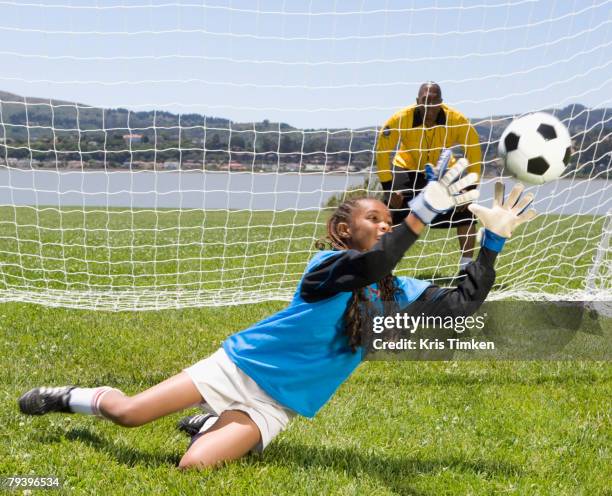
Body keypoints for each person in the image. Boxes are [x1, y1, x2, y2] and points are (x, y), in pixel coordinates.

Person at [17, 157, 536, 470]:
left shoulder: (398, 291)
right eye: (372, 219)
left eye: (388, 219)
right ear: (343, 233)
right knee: (128, 414)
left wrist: (492, 241)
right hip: (239, 367)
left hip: (277, 404)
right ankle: (70, 397)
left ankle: (211, 425)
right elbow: (374, 261)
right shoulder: (327, 267)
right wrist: (423, 208)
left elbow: (460, 307)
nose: (383, 225)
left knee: (194, 465)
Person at [376, 82, 483, 274]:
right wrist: (389, 188)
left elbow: (473, 152)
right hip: (407, 168)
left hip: (443, 171)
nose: (429, 106)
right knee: (389, 210)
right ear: (418, 101)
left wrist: (470, 188)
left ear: (441, 103)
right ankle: (383, 267)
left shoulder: (457, 120)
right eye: (425, 100)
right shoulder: (400, 118)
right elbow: (383, 153)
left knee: (466, 209)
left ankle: (466, 267)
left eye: (434, 101)